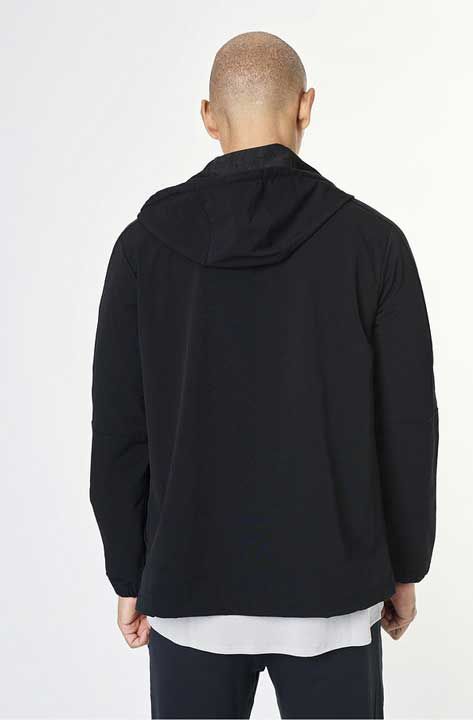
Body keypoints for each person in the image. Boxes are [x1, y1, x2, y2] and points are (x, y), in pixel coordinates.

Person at [90, 31, 438, 720]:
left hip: (188, 593)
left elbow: (121, 431)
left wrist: (128, 572)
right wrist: (406, 568)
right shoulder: (374, 244)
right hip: (333, 597)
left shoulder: (141, 249)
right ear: (306, 107)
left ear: (208, 116)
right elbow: (406, 425)